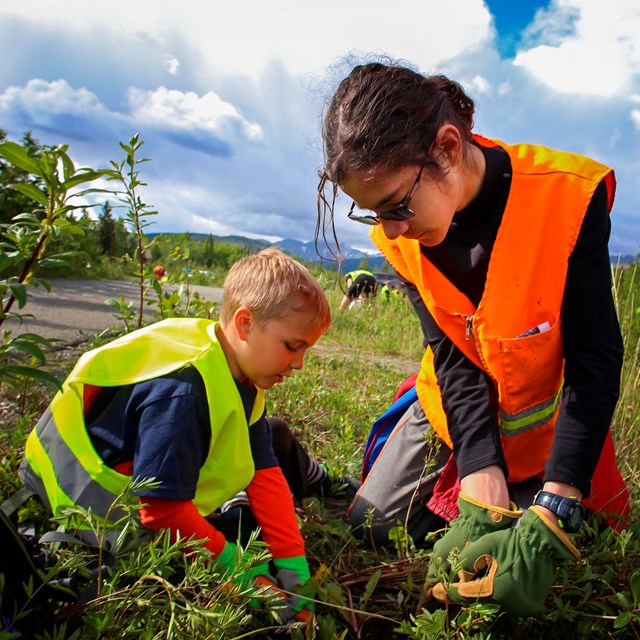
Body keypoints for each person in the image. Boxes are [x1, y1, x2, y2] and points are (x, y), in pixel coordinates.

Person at [316, 59, 630, 616]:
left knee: (557, 559)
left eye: (398, 206)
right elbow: (450, 357)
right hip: (454, 409)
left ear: (447, 147)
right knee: (373, 526)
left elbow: (595, 359)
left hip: (545, 421)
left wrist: (557, 501)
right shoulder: (403, 239)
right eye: (373, 215)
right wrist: (482, 468)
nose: (391, 231)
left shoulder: (566, 200)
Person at [19, 247, 332, 623]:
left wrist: (294, 567)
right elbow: (160, 511)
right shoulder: (184, 393)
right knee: (168, 579)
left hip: (148, 489)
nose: (298, 363)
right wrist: (243, 573)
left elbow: (264, 472)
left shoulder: (240, 363)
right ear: (245, 323)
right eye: (292, 347)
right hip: (86, 493)